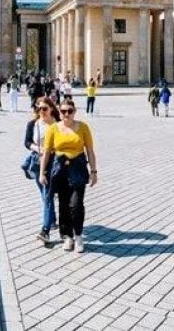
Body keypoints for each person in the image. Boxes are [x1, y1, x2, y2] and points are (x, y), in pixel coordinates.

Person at [38, 101, 97, 253]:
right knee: (63, 205)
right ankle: (67, 236)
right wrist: (42, 173)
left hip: (77, 169)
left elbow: (90, 150)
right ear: (59, 111)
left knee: (76, 205)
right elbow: (46, 152)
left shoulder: (83, 127)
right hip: (59, 170)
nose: (66, 114)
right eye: (63, 111)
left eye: (69, 111)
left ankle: (78, 236)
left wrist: (94, 171)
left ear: (74, 111)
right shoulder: (53, 128)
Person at [25, 98, 58, 243]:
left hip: (52, 163)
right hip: (37, 162)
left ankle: (45, 230)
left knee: (47, 195)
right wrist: (38, 148)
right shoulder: (33, 124)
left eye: (44, 108)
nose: (41, 111)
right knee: (45, 195)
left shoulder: (57, 124)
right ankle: (52, 219)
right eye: (39, 108)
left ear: (51, 108)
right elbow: (26, 142)